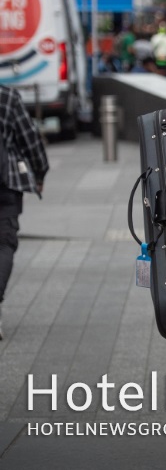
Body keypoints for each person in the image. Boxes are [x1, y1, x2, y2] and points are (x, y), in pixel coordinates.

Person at [0, 85, 49, 341]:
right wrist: (40, 172)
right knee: (4, 242)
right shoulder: (6, 96)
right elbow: (29, 138)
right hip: (4, 183)